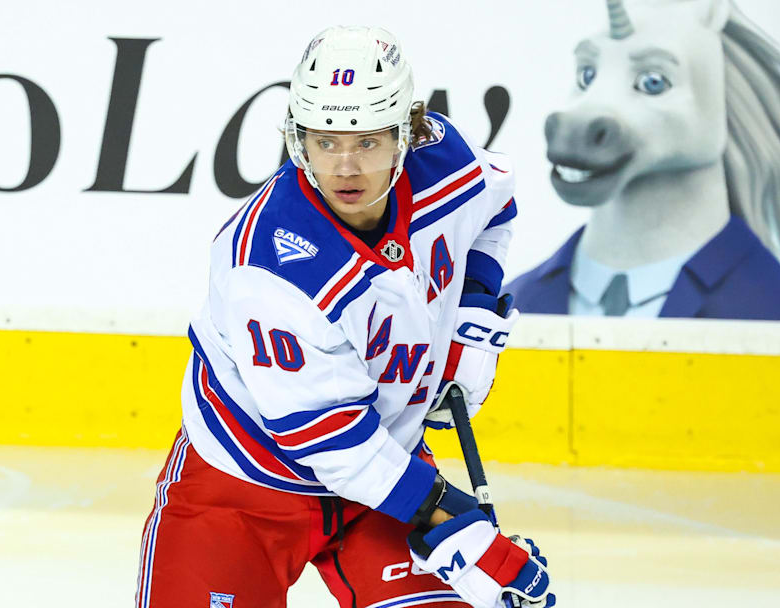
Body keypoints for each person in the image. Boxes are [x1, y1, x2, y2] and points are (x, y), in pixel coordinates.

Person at [136, 26, 556, 608]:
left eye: (368, 141)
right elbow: (331, 442)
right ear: (297, 138)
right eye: (325, 142)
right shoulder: (269, 267)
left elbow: (496, 210)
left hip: (389, 466)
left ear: (407, 132)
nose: (345, 168)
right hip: (245, 484)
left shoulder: (444, 165)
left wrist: (472, 326)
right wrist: (458, 519)